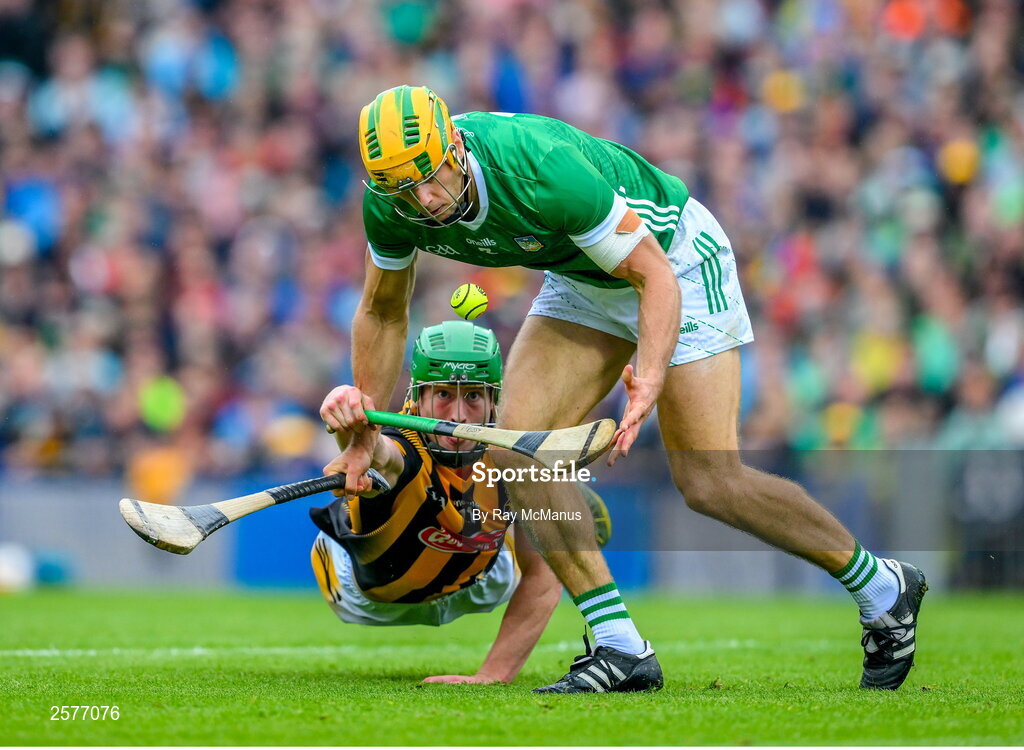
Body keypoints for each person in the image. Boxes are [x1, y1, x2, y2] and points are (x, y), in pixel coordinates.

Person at [320, 85, 926, 693]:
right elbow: (382, 311)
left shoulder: (537, 168)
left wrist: (651, 379)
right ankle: (620, 647)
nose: (423, 202)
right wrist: (362, 434)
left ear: (452, 145)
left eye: (430, 179)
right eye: (402, 190)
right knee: (510, 448)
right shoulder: (392, 204)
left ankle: (880, 584)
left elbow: (652, 274)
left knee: (711, 481)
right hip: (584, 277)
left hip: (673, 260)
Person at [311, 319, 613, 685]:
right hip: (368, 597)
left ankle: (553, 506)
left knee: (550, 533)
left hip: (478, 586)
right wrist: (345, 412)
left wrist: (491, 676)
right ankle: (556, 505)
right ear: (418, 399)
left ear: (492, 401)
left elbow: (545, 577)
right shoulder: (402, 447)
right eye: (443, 395)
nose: (457, 415)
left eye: (472, 396)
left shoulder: (510, 453)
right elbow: (378, 454)